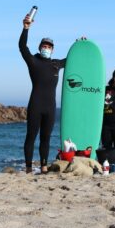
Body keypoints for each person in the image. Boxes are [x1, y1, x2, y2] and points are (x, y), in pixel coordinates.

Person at [19, 13, 67, 174]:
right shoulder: (33, 61)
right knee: (31, 136)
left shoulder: (56, 64)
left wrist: (80, 44)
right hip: (36, 104)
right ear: (40, 47)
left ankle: (44, 167)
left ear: (52, 50)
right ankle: (28, 168)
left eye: (49, 46)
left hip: (50, 107)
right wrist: (26, 28)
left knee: (46, 138)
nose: (46, 48)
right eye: (44, 46)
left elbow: (73, 58)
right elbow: (22, 47)